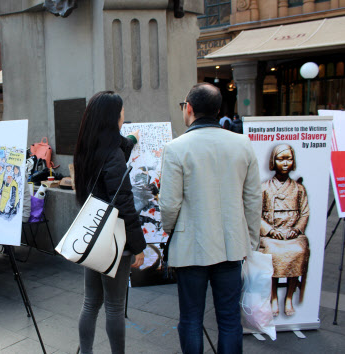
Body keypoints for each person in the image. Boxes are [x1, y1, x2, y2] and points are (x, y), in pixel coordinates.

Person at [159, 83, 261, 354]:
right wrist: (251, 240)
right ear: (218, 110)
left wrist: (170, 230)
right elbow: (253, 199)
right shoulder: (242, 143)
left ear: (189, 108)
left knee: (191, 318)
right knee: (229, 319)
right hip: (232, 245)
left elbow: (169, 205)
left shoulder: (176, 148)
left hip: (191, 246)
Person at [74, 91, 146, 354]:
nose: (124, 115)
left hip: (92, 235)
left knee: (90, 302)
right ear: (113, 117)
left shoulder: (87, 148)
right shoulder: (112, 156)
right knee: (115, 306)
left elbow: (117, 150)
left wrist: (131, 139)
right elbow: (124, 203)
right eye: (122, 112)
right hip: (115, 238)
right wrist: (138, 246)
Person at [260, 144, 310, 317]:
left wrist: (296, 230)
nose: (285, 163)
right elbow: (256, 214)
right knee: (272, 252)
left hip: (292, 234)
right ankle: (274, 297)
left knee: (299, 250)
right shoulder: (264, 187)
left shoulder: (299, 188)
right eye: (281, 159)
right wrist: (271, 230)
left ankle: (288, 297)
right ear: (274, 161)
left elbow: (304, 213)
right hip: (272, 235)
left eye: (288, 158)